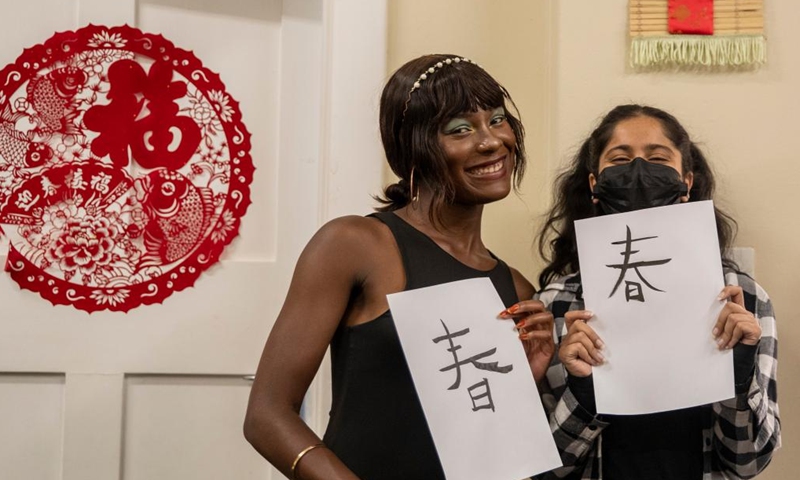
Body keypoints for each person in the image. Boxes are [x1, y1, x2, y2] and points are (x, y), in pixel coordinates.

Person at [243, 54, 555, 480]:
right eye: (460, 129)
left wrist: (527, 386)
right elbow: (266, 416)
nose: (491, 141)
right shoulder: (355, 245)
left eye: (497, 120)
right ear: (413, 145)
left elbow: (490, 448)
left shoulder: (515, 289)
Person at [533, 104, 780, 480]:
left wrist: (739, 377)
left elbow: (748, 463)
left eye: (657, 157)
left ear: (687, 182)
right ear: (594, 184)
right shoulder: (556, 305)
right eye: (620, 158)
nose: (637, 170)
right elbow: (545, 471)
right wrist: (583, 396)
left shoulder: (741, 298)